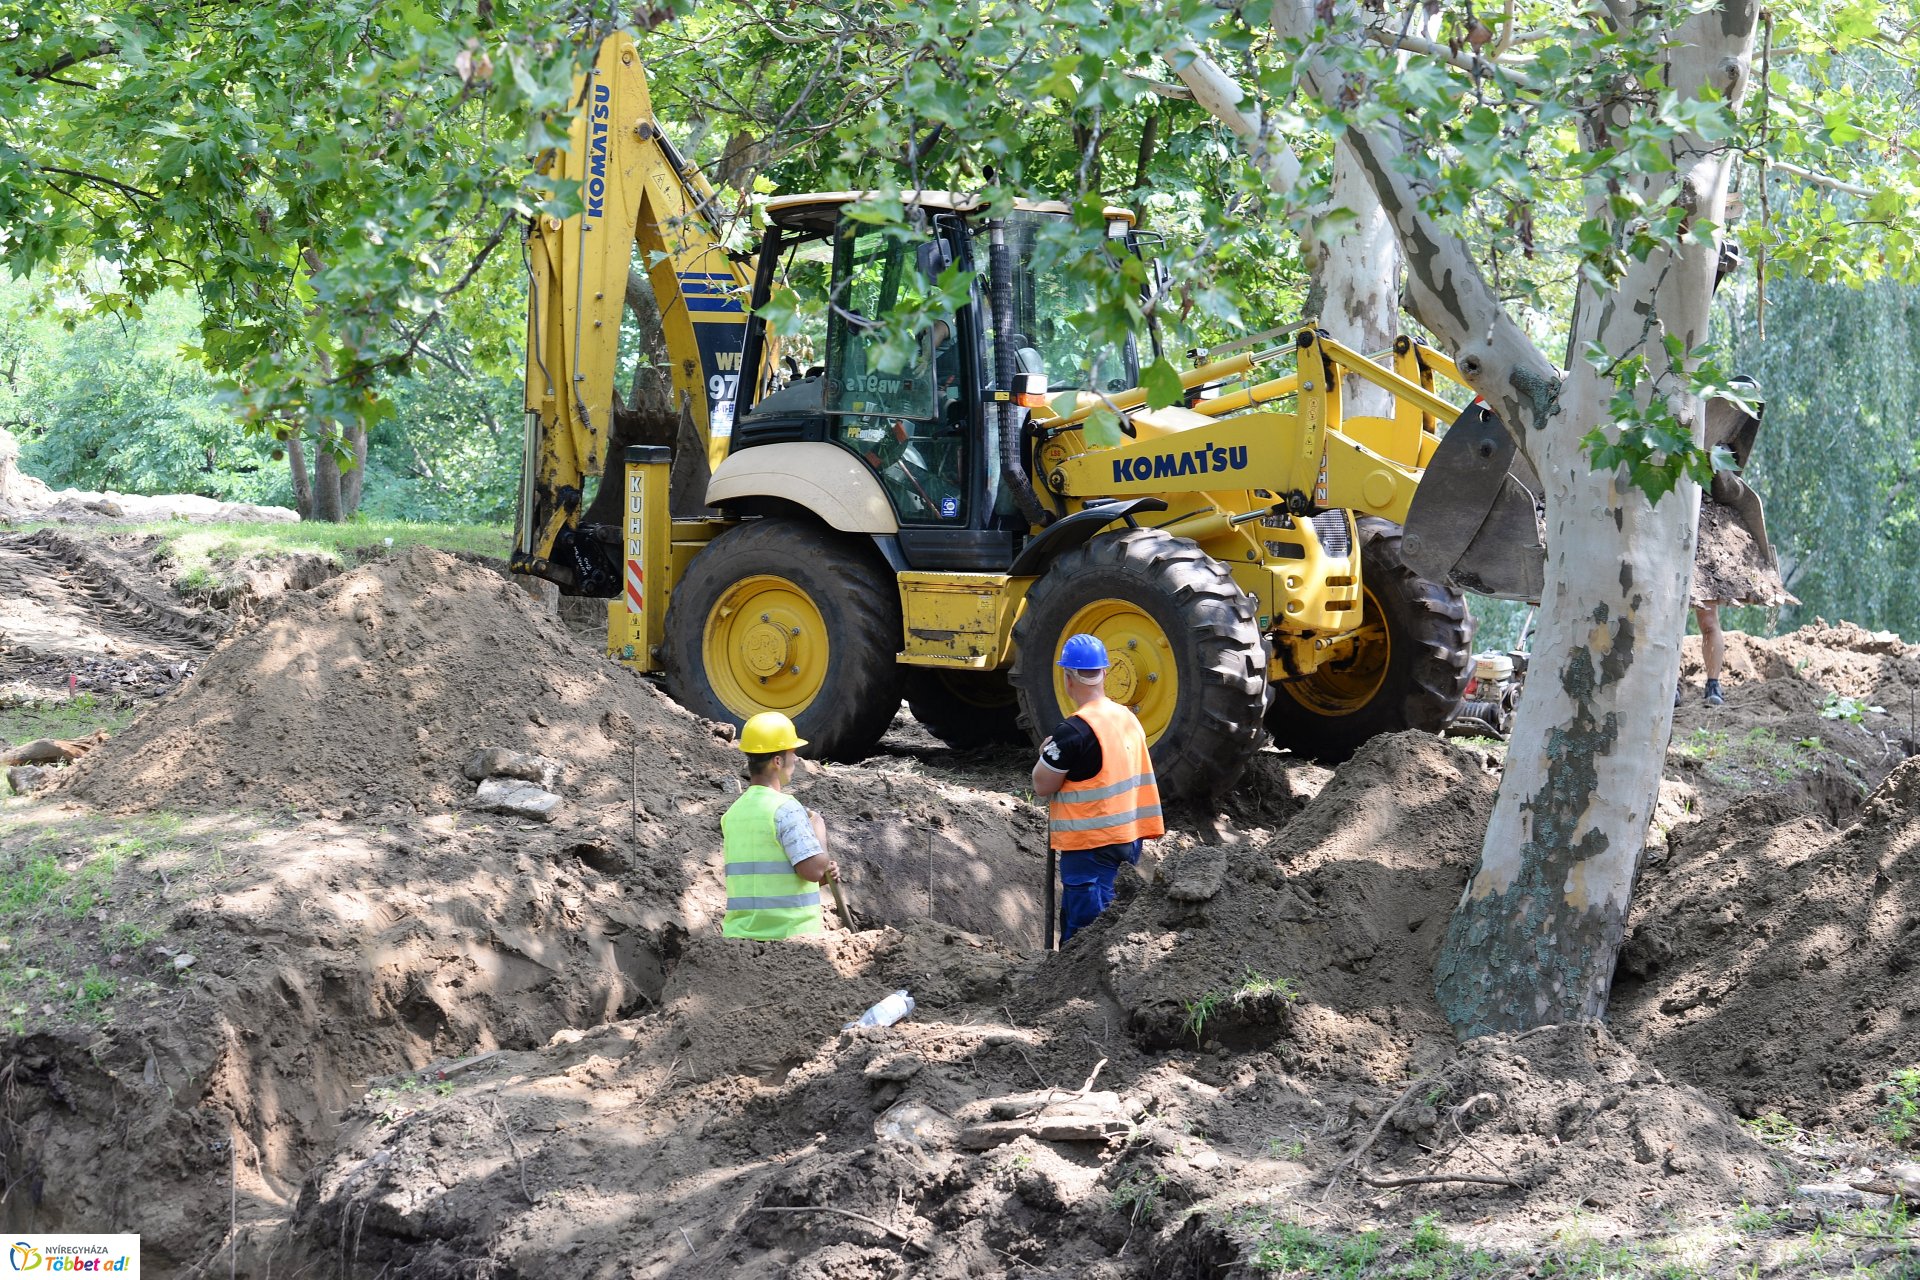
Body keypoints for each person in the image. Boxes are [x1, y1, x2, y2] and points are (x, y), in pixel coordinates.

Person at [1030, 633, 1165, 945]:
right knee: (1109, 918)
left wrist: (1045, 754)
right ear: (1105, 673)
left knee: (1086, 933)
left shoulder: (1075, 731)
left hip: (1091, 844)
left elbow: (1042, 783)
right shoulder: (1127, 718)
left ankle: (1077, 991)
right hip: (1127, 838)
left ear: (1068, 678)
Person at [721, 712, 842, 939]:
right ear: (777, 761)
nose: (796, 759)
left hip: (739, 941)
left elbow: (762, 879)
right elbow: (814, 870)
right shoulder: (786, 808)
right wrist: (819, 830)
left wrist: (823, 878)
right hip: (788, 940)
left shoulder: (733, 813)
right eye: (792, 753)